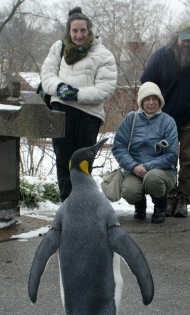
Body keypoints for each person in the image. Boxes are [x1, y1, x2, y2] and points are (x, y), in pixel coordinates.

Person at [140, 22, 190, 218]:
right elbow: (148, 82)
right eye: (184, 39)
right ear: (176, 38)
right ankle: (168, 198)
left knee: (189, 158)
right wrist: (154, 105)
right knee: (167, 157)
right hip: (165, 114)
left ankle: (183, 199)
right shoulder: (161, 56)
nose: (187, 44)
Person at [40, 7, 117, 202]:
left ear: (89, 31)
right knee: (63, 162)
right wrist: (59, 88)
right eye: (74, 31)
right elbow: (47, 75)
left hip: (88, 115)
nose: (79, 35)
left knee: (83, 164)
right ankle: (66, 207)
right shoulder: (58, 48)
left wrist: (75, 94)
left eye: (83, 30)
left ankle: (84, 206)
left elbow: (105, 89)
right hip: (60, 111)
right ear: (69, 31)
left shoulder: (103, 55)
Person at [112, 82, 178, 224]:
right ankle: (139, 204)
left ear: (160, 100)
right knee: (129, 190)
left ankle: (160, 206)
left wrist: (147, 166)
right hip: (134, 169)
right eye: (147, 99)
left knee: (152, 178)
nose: (151, 103)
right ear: (141, 101)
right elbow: (118, 147)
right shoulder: (131, 119)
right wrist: (133, 166)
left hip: (162, 171)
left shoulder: (168, 121)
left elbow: (171, 154)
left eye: (155, 99)